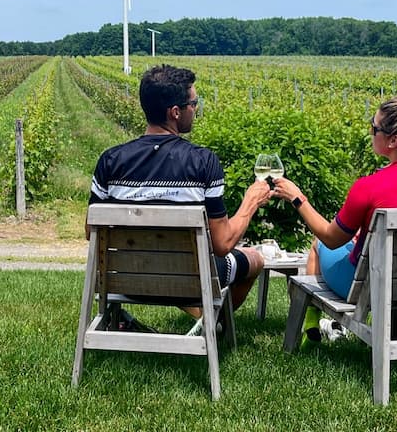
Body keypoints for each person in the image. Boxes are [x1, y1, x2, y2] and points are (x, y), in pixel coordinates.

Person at [88, 64, 272, 333]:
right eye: (193, 103)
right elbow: (222, 244)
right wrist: (251, 202)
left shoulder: (110, 160)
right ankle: (213, 324)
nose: (195, 109)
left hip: (122, 279)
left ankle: (203, 321)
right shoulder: (203, 162)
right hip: (190, 281)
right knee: (253, 259)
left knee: (163, 264)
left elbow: (89, 232)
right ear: (175, 112)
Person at [270, 94, 397, 346]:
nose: (371, 132)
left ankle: (311, 324)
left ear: (393, 140)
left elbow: (331, 237)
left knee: (318, 244)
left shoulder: (369, 187)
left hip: (372, 288)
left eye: (374, 127)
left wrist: (297, 198)